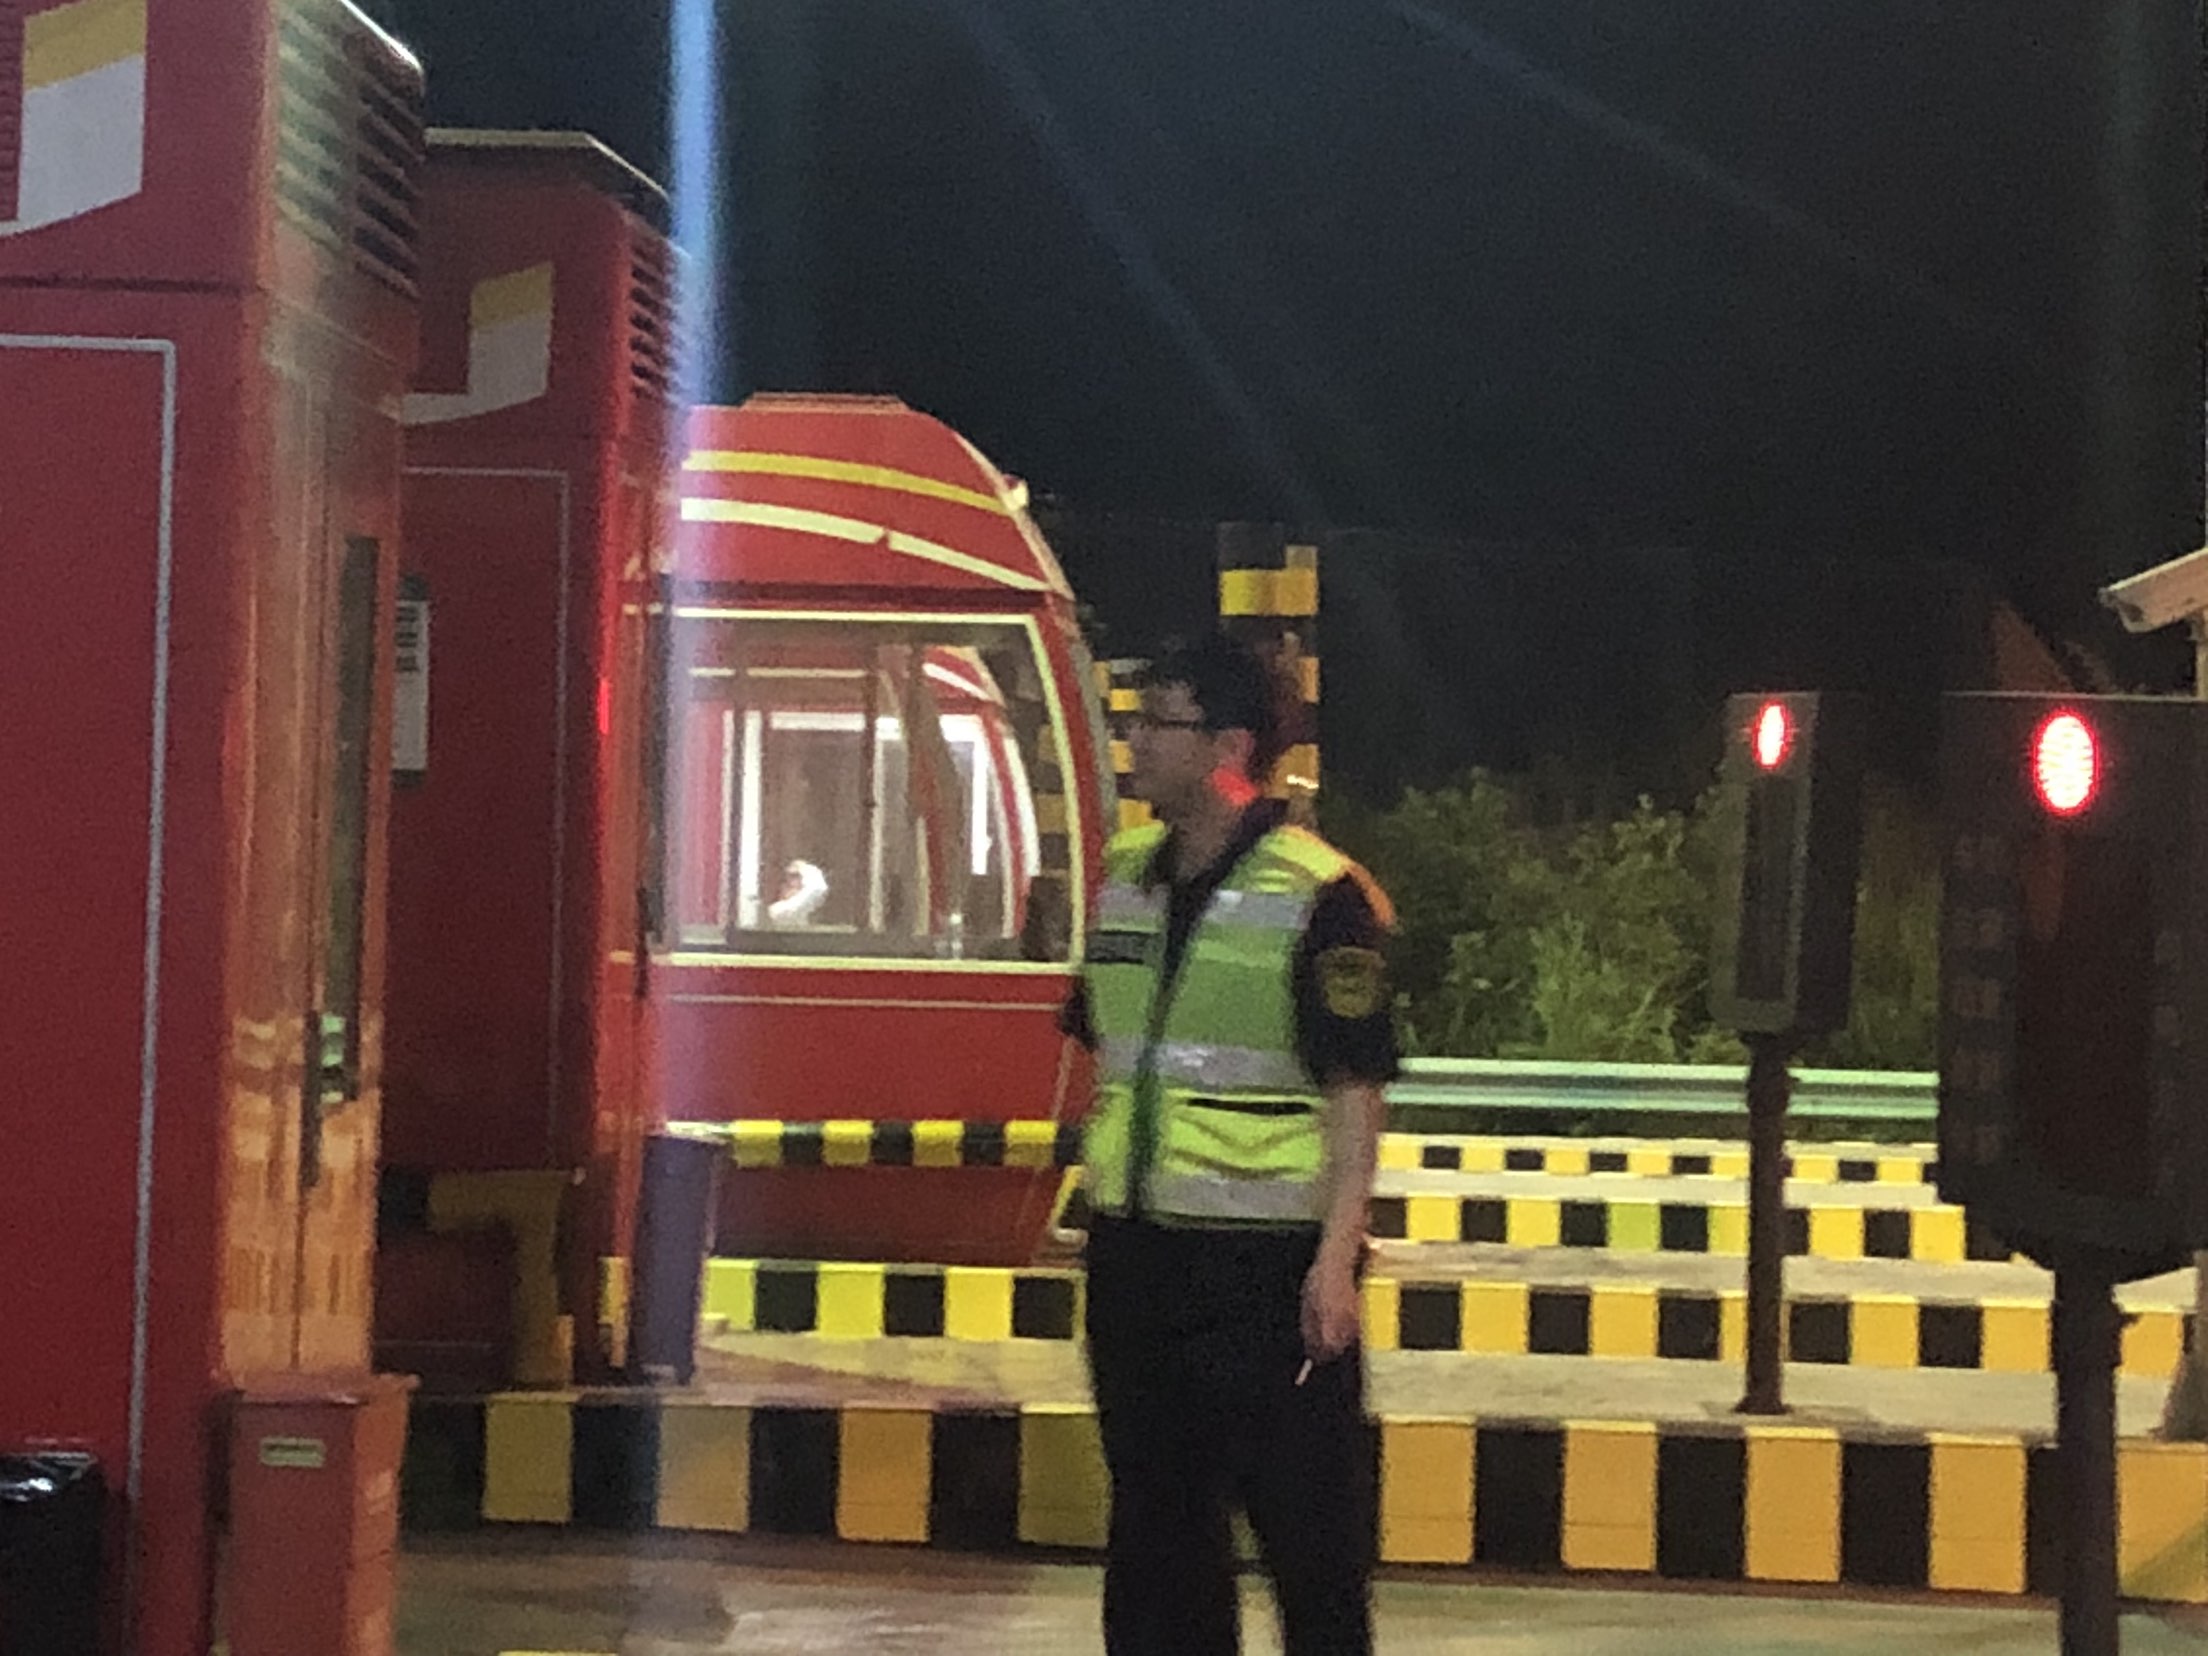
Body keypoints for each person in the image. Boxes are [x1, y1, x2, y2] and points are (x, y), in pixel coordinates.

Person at [1060, 632, 1399, 1656]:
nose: (1136, 744)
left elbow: (1356, 1089)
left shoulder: (1323, 895)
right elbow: (1105, 1051)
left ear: (1230, 747)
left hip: (1264, 1272)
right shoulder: (1124, 878)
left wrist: (1336, 1261)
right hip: (1137, 1259)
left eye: (1159, 723)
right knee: (1156, 1536)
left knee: (1308, 1539)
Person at [767, 859, 829, 926]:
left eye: (795, 876)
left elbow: (817, 888)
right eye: (788, 877)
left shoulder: (805, 907)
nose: (790, 881)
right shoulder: (777, 909)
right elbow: (818, 888)